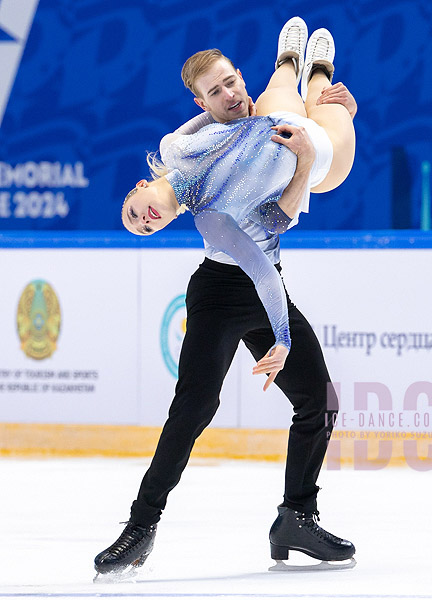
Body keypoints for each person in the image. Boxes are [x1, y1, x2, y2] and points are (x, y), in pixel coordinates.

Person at [94, 17, 357, 579]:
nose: (145, 219)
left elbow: (195, 132)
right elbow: (262, 252)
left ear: (140, 189)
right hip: (225, 290)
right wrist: (281, 337)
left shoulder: (180, 144)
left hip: (265, 262)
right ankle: (139, 528)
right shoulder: (206, 211)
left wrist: (222, 109)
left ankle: (297, 517)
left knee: (320, 401)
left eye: (136, 211)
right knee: (194, 408)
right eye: (144, 228)